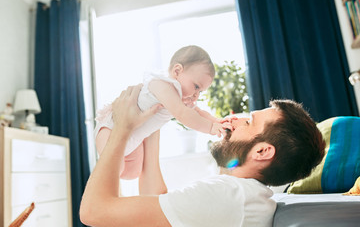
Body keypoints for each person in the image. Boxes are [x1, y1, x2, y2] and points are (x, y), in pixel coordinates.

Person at [80, 84, 325, 227]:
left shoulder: (229, 195)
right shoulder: (244, 195)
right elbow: (157, 202)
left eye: (248, 121)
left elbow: (93, 212)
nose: (234, 119)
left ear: (262, 151)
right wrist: (154, 122)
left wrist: (121, 129)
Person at [94, 45, 231, 179]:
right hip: (110, 130)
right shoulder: (162, 85)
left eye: (200, 91)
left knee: (133, 172)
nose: (196, 95)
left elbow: (199, 112)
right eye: (196, 86)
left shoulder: (180, 98)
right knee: (114, 169)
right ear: (177, 71)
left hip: (132, 138)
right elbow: (182, 114)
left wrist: (216, 121)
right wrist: (210, 128)